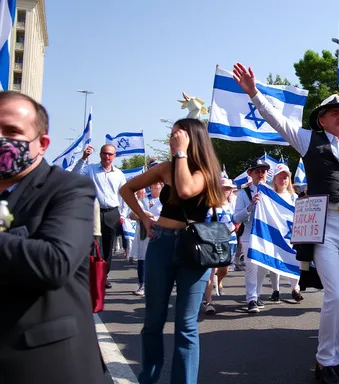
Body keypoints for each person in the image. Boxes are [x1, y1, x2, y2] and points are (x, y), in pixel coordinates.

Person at [233, 62, 339, 384]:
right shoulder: (309, 140)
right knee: (334, 294)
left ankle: (333, 360)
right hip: (325, 224)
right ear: (321, 119)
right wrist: (254, 93)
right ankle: (323, 361)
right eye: (335, 112)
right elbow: (278, 121)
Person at [0, 91, 105, 384]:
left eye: (12, 132)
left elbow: (54, 263)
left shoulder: (68, 189)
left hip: (42, 363)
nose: (1, 139)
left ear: (42, 144)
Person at [120, 118, 223, 384]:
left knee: (186, 325)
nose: (172, 138)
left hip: (194, 248)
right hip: (161, 243)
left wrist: (180, 154)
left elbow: (186, 190)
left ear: (192, 138)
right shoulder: (166, 167)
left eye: (177, 134)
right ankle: (148, 378)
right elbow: (127, 188)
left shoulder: (206, 171)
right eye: (172, 135)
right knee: (153, 319)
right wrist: (143, 216)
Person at [72, 143, 127, 288]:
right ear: (100, 154)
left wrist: (123, 214)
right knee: (95, 246)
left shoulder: (119, 174)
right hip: (94, 212)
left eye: (110, 154)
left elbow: (124, 195)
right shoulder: (91, 170)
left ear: (114, 156)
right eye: (104, 153)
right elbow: (74, 175)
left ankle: (104, 276)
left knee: (108, 248)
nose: (107, 156)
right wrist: (84, 157)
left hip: (112, 213)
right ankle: (93, 275)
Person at [233, 158, 273, 314]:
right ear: (250, 173)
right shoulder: (243, 193)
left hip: (266, 237)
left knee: (263, 268)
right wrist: (250, 206)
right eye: (257, 171)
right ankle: (251, 299)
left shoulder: (271, 192)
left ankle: (256, 294)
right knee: (251, 267)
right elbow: (236, 218)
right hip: (249, 235)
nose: (261, 174)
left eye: (263, 171)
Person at [202, 176, 238, 315]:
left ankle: (219, 281)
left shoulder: (232, 204)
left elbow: (237, 219)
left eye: (228, 189)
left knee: (225, 269)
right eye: (223, 189)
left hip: (230, 240)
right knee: (211, 271)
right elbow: (206, 223)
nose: (226, 191)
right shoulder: (211, 205)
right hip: (214, 240)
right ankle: (209, 302)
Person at [269, 164, 304, 303]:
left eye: (286, 177)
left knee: (294, 260)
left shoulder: (294, 197)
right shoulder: (270, 196)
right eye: (281, 177)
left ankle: (295, 289)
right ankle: (275, 290)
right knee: (275, 261)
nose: (284, 179)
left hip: (291, 234)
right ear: (275, 179)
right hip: (275, 233)